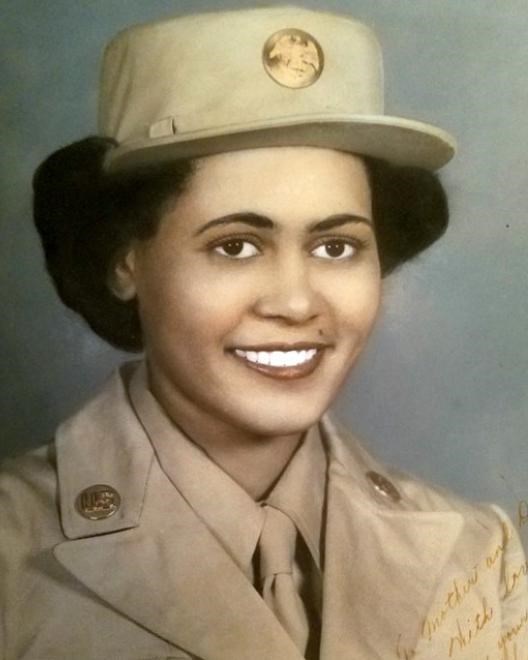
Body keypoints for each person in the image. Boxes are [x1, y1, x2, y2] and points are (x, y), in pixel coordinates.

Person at [1, 6, 526, 660]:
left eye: (336, 247)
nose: (297, 301)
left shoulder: (487, 556)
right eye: (236, 247)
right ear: (124, 262)